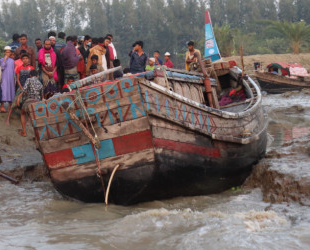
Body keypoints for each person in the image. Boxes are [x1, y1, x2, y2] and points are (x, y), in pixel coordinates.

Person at [16, 70, 43, 137]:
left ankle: (24, 132)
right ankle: (38, 135)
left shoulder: (29, 79)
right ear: (37, 76)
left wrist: (18, 98)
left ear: (30, 75)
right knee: (35, 118)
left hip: (28, 101)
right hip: (37, 103)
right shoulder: (40, 84)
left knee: (22, 114)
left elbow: (24, 89)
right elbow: (42, 96)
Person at [0, 46, 15, 113]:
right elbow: (2, 68)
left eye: (9, 52)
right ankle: (2, 106)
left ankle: (10, 107)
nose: (7, 53)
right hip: (4, 78)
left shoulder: (12, 61)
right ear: (4, 53)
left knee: (11, 91)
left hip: (11, 79)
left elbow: (13, 70)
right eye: (6, 52)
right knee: (4, 91)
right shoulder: (1, 60)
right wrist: (5, 59)